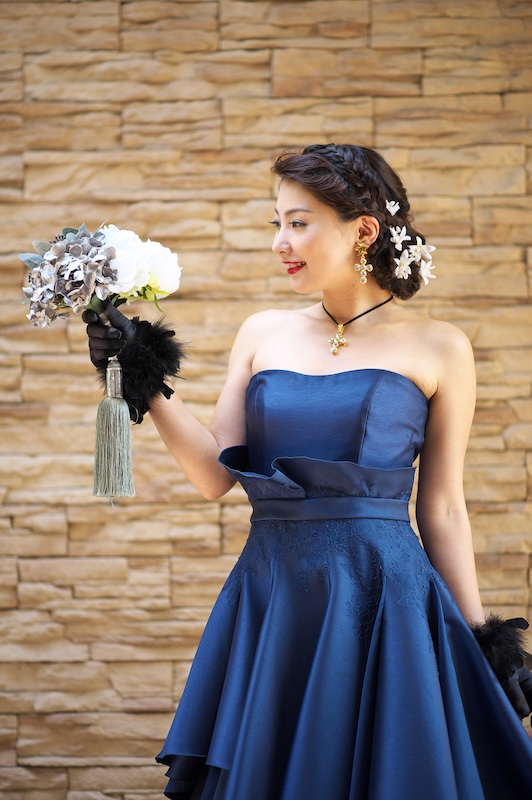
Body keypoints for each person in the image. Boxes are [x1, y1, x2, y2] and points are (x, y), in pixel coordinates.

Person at [83, 144, 532, 800]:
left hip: (385, 600)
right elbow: (213, 476)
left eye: (298, 223)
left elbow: (442, 508)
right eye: (277, 223)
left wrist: (479, 642)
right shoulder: (262, 332)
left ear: (364, 230)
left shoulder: (440, 345)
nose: (280, 242)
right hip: (274, 594)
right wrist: (142, 373)